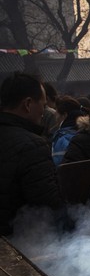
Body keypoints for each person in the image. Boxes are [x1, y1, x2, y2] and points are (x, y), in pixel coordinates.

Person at [0, 73, 64, 235]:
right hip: (19, 242)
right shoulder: (32, 146)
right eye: (43, 105)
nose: (45, 111)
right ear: (28, 104)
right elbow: (48, 207)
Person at [51, 95, 87, 165]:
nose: (55, 116)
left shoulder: (62, 139)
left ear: (64, 115)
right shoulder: (87, 133)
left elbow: (59, 167)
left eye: (57, 112)